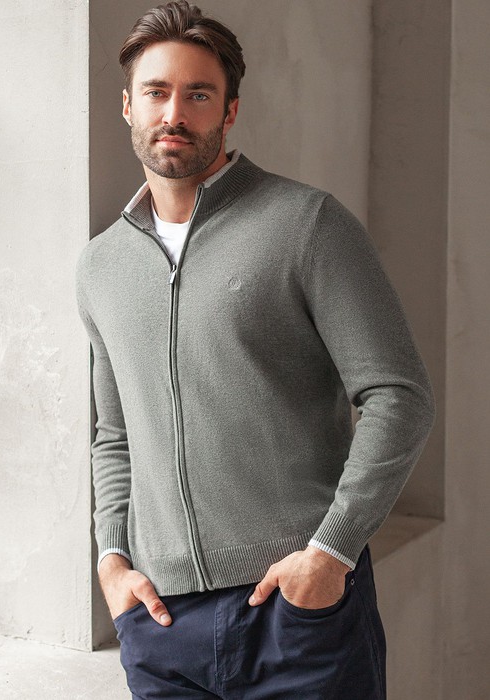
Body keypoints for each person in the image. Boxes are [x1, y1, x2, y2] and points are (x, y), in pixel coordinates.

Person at [75, 2, 435, 697]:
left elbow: (399, 396)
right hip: (160, 625)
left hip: (299, 613)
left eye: (198, 94)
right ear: (127, 105)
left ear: (230, 110)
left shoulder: (307, 224)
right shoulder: (100, 267)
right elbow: (113, 435)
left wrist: (330, 552)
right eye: (156, 92)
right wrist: (112, 560)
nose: (173, 113)